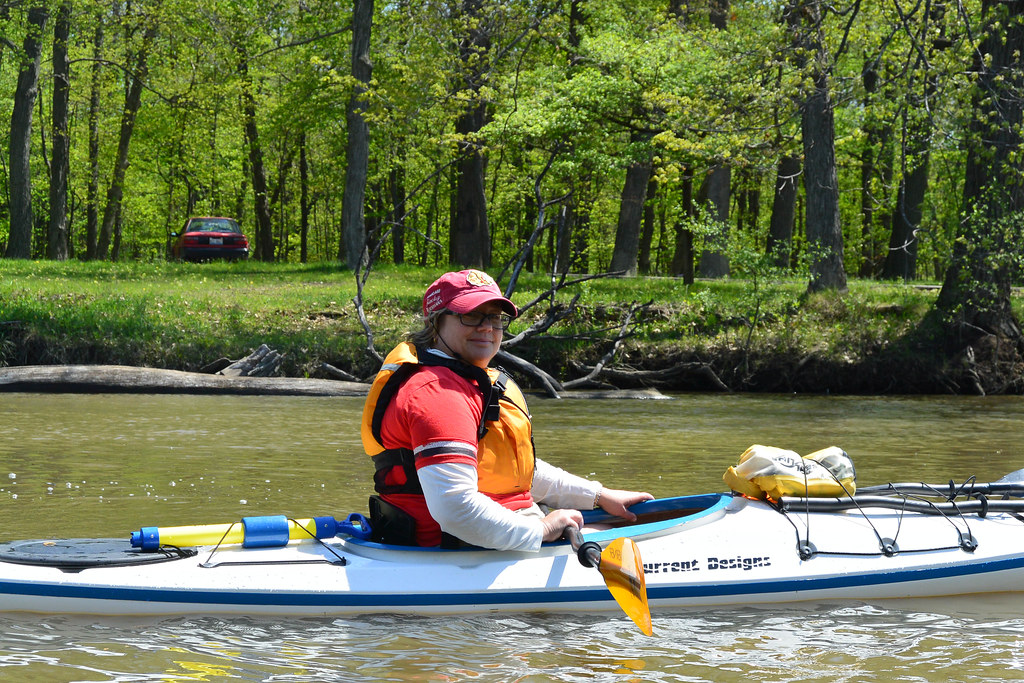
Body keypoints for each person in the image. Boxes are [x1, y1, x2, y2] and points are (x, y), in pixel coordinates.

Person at [360, 269, 653, 550]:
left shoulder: (465, 380)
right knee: (635, 534)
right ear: (435, 322)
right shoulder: (438, 393)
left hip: (494, 534)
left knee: (635, 520)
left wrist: (598, 496)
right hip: (457, 549)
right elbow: (455, 509)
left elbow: (514, 471)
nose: (487, 327)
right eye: (471, 315)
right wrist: (541, 530)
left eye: (495, 318)